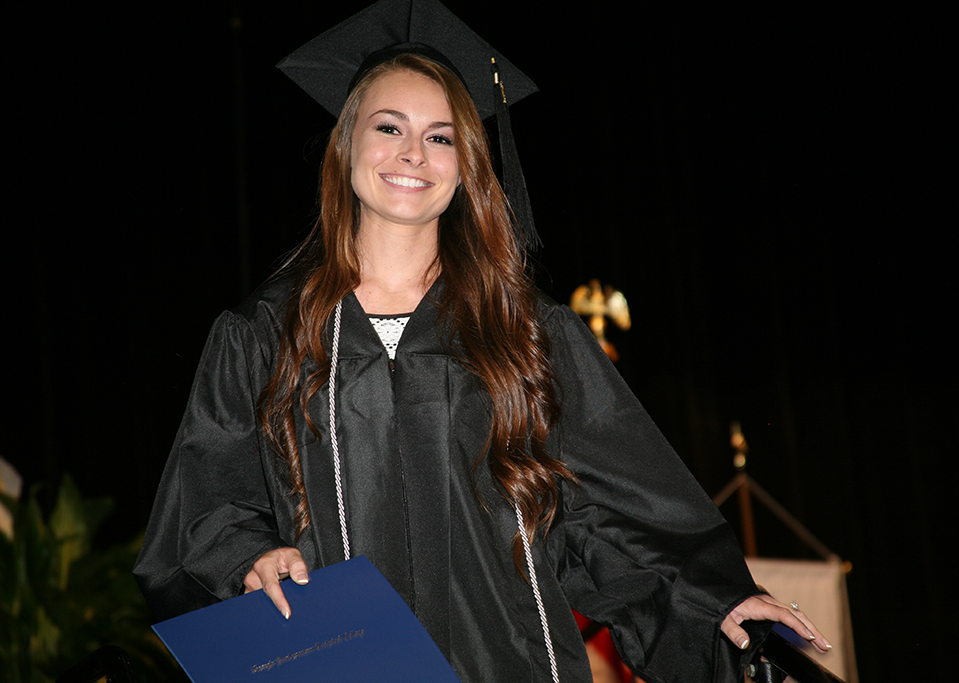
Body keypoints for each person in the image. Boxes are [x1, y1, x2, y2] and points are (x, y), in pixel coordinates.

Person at [134, 2, 830, 681]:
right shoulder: (264, 335)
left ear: (465, 163)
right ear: (345, 143)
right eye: (389, 126)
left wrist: (710, 598)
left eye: (440, 136)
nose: (414, 153)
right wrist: (249, 557)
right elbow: (207, 510)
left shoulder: (527, 332)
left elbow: (607, 513)